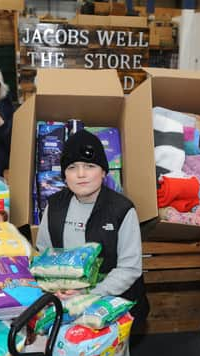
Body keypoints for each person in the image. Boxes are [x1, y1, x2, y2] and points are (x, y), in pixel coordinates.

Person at [35, 129, 150, 333]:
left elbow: (129, 269)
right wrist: (55, 287)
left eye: (89, 166)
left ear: (104, 172)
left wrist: (89, 292)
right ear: (64, 175)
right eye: (72, 167)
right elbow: (44, 254)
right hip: (65, 301)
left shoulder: (121, 210)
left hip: (112, 304)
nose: (81, 174)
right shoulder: (54, 206)